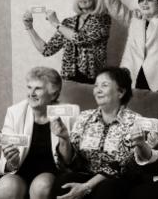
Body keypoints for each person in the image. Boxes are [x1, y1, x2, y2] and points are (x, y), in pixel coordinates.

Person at [51, 67, 143, 199]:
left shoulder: (135, 121)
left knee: (107, 189)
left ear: (121, 92)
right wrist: (64, 139)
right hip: (87, 174)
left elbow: (122, 164)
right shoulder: (84, 117)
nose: (97, 90)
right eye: (96, 86)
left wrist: (86, 186)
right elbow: (69, 163)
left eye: (104, 85)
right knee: (64, 182)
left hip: (118, 180)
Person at [0, 67, 65, 199]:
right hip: (19, 171)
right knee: (7, 186)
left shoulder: (65, 115)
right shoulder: (14, 112)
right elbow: (6, 161)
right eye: (29, 87)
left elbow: (70, 161)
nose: (31, 93)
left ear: (53, 94)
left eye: (38, 88)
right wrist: (11, 162)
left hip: (49, 173)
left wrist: (65, 139)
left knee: (41, 185)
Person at [23, 0, 111, 84]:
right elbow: (46, 50)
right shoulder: (68, 22)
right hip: (68, 81)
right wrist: (29, 28)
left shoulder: (103, 19)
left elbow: (81, 39)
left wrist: (56, 24)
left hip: (93, 82)